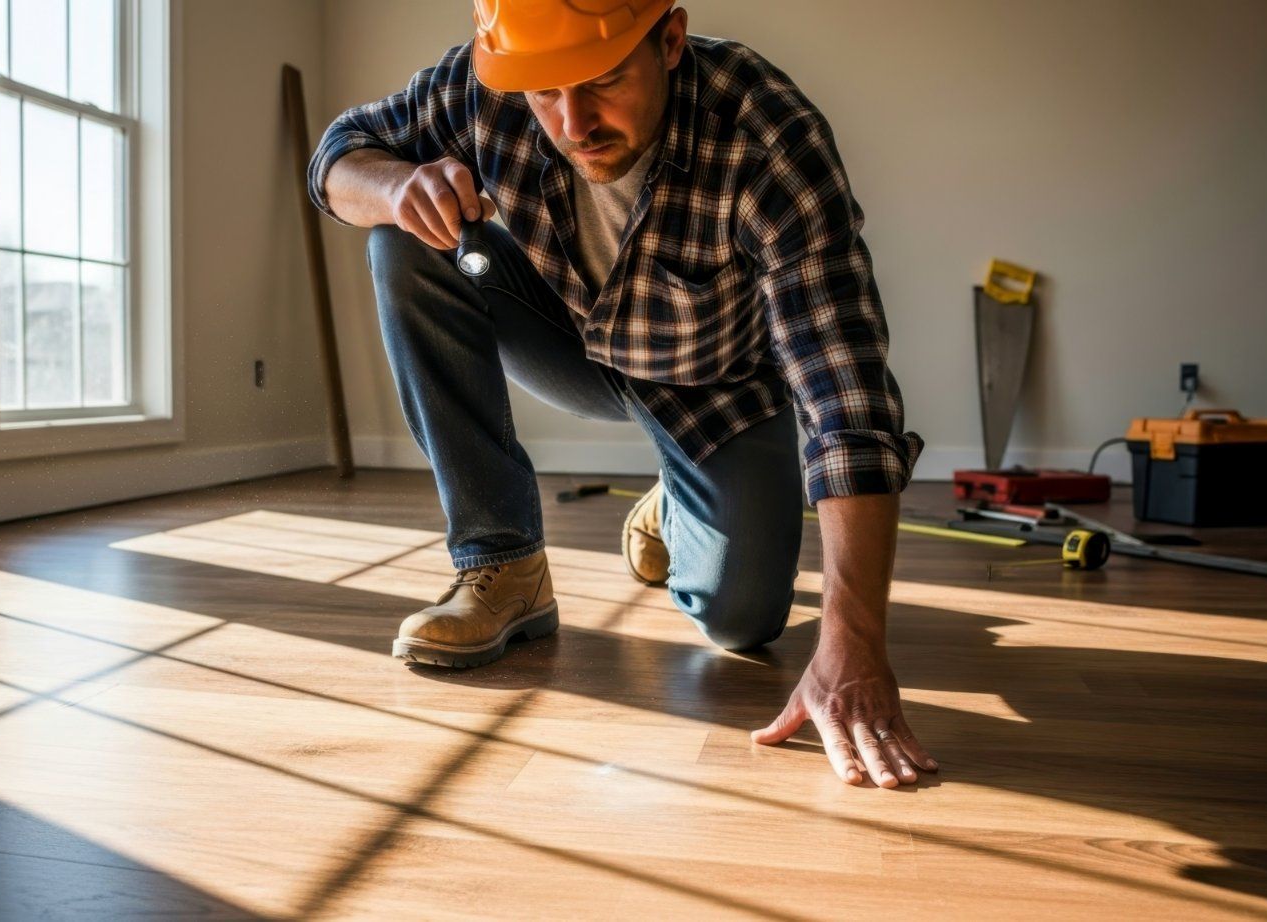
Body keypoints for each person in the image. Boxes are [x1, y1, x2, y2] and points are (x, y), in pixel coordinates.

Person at [309, 0, 936, 788]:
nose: (573, 122)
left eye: (603, 81)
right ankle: (502, 564)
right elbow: (337, 153)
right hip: (569, 338)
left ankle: (680, 500)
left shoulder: (766, 135)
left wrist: (855, 640)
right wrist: (398, 187)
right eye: (545, 93)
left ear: (669, 40)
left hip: (719, 389)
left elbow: (846, 392)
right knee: (405, 242)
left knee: (742, 623)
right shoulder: (483, 85)